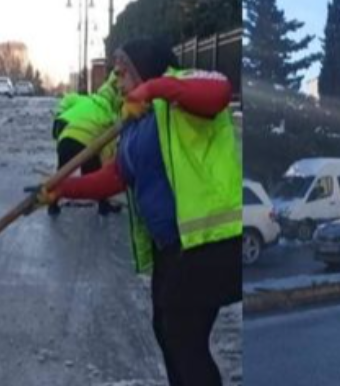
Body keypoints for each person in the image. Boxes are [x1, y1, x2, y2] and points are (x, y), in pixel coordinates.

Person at [29, 38, 242, 386]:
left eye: (123, 64)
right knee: (167, 333)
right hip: (171, 247)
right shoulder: (133, 123)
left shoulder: (181, 90)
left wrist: (151, 91)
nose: (116, 72)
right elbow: (114, 175)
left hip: (208, 242)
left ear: (145, 66)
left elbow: (220, 91)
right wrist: (61, 188)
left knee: (183, 339)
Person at [49, 73, 124, 216]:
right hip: (85, 144)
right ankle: (103, 205)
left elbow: (68, 98)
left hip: (65, 138)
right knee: (96, 177)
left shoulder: (86, 99)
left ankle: (52, 205)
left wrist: (60, 114)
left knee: (61, 174)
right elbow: (108, 150)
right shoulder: (111, 117)